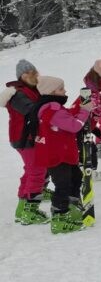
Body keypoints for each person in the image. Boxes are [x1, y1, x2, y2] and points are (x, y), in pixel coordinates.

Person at [33, 76, 94, 234]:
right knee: (63, 184)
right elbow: (74, 125)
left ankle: (71, 207)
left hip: (62, 153)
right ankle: (59, 218)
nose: (65, 91)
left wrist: (81, 104)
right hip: (56, 155)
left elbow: (68, 115)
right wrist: (85, 111)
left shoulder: (54, 107)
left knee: (76, 177)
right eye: (61, 89)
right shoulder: (51, 110)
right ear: (51, 92)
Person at [1, 60, 48, 225]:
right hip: (24, 137)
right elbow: (32, 110)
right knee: (37, 170)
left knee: (30, 171)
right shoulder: (18, 93)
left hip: (28, 136)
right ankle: (30, 210)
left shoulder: (32, 90)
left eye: (34, 71)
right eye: (29, 73)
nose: (34, 75)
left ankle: (22, 208)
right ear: (22, 76)